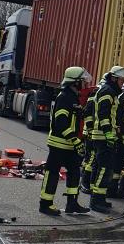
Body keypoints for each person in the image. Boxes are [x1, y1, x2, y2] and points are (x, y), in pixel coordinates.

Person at [39, 67, 92, 216]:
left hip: (71, 144)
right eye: (82, 81)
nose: (85, 83)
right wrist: (75, 140)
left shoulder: (74, 97)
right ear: (75, 82)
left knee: (75, 172)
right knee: (53, 173)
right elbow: (61, 122)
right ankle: (45, 204)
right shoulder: (64, 97)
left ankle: (72, 204)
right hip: (59, 144)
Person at [89, 65, 124, 213]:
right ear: (114, 78)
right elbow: (104, 115)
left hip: (103, 135)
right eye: (121, 80)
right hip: (102, 136)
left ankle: (100, 198)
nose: (123, 83)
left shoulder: (110, 91)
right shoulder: (108, 92)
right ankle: (95, 201)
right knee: (104, 169)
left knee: (104, 168)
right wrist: (109, 134)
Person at [79, 87, 97, 194]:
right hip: (91, 132)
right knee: (91, 157)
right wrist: (90, 130)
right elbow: (89, 115)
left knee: (88, 157)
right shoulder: (95, 96)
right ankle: (85, 183)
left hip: (89, 132)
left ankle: (84, 180)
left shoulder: (94, 95)